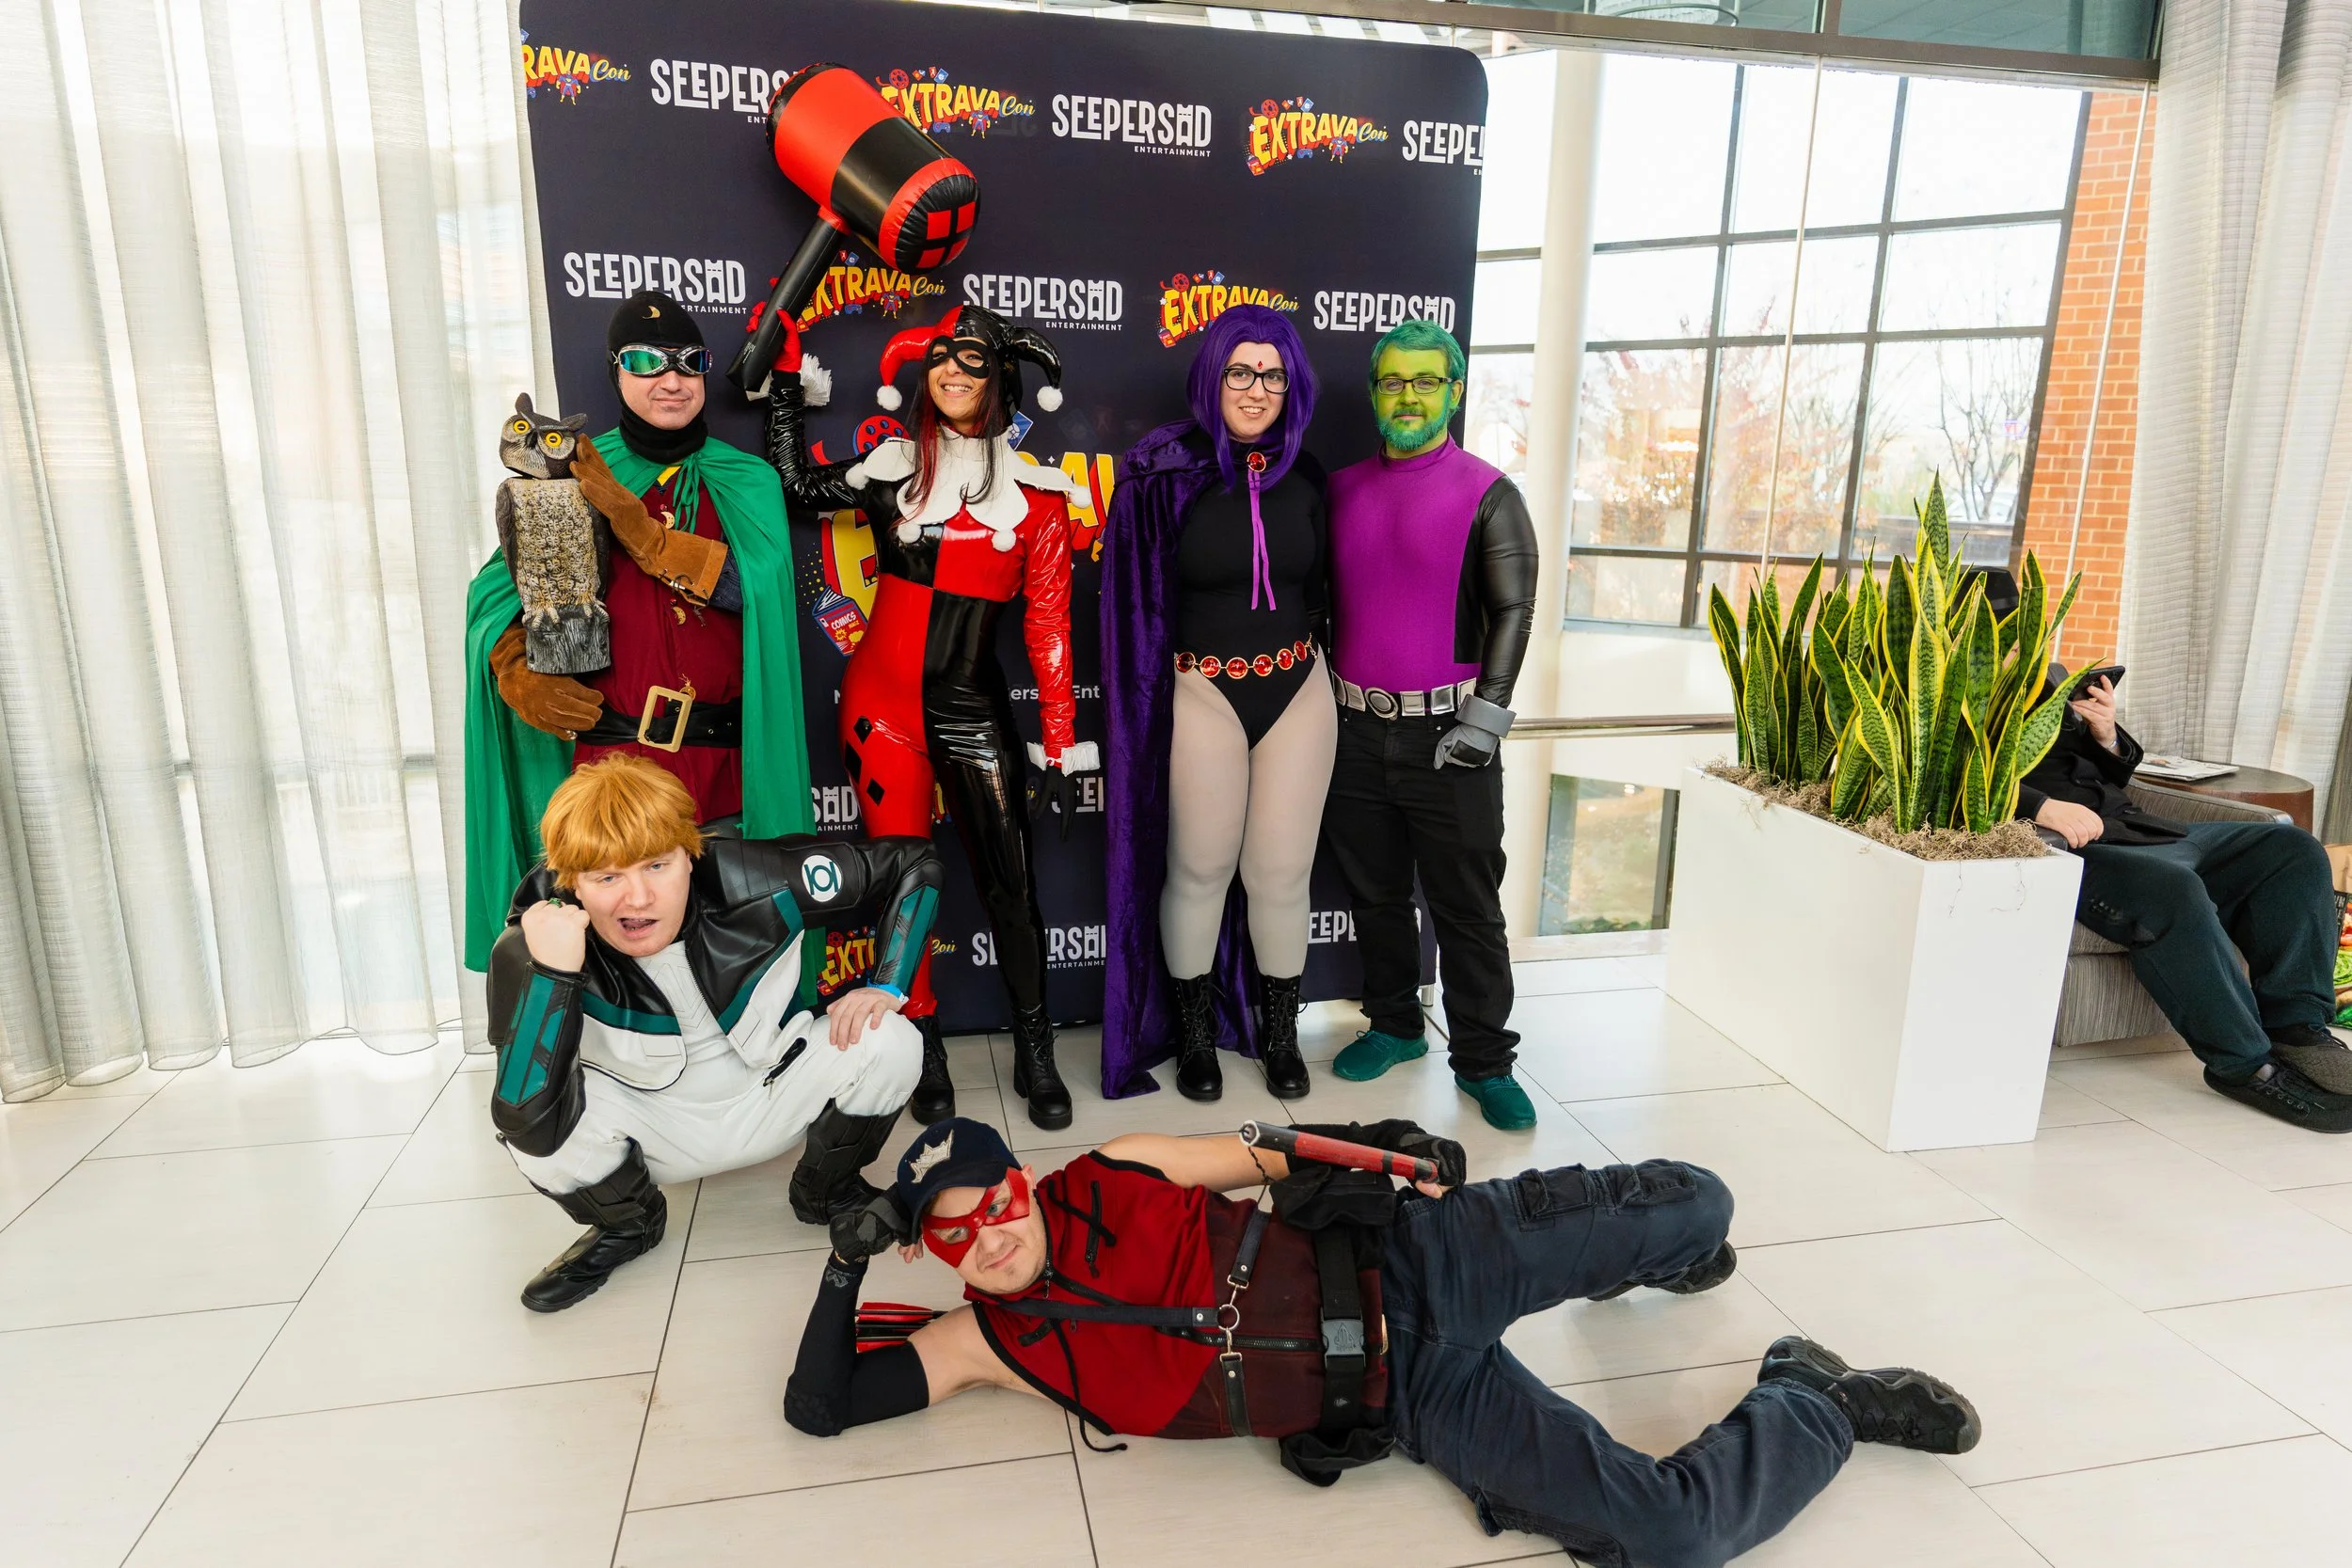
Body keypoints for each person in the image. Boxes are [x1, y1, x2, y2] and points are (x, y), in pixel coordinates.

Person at [786, 1117, 1981, 1568]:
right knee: (1671, 1533)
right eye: (952, 1235)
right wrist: (847, 1261)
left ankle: (1661, 1254)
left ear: (1025, 1185)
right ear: (930, 1254)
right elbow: (820, 1404)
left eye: (995, 1204)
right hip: (1414, 1393)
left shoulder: (1113, 1172)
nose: (987, 1239)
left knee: (1706, 1198)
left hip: (1424, 1253)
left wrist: (1385, 1150)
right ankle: (1814, 1395)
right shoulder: (989, 1341)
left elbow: (1267, 1149)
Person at [763, 305, 1098, 1133]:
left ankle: (1034, 1045)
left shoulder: (1041, 496)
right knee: (902, 888)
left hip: (971, 710)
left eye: (974, 360)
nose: (953, 369)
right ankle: (922, 1048)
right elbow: (799, 488)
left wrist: (1060, 746)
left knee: (1010, 886)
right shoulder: (891, 468)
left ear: (1000, 378)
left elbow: (1049, 629)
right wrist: (784, 387)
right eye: (941, 357)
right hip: (880, 709)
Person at [485, 754, 939, 1311]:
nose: (638, 899)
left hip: (769, 1087)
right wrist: (553, 973)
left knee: (892, 1040)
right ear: (570, 882)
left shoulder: (756, 876)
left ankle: (828, 1191)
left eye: (657, 865)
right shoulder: (530, 942)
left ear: (690, 852)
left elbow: (913, 861)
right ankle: (628, 1228)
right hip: (649, 1132)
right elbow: (524, 1119)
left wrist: (889, 983)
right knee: (536, 1136)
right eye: (607, 877)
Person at [462, 289, 812, 974]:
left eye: (689, 361)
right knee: (620, 965)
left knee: (733, 954)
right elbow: (500, 598)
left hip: (724, 772)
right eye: (648, 361)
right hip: (612, 771)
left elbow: (759, 597)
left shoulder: (747, 480)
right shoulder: (574, 474)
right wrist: (512, 664)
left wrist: (643, 533)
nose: (672, 378)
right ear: (616, 369)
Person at [1100, 304, 1330, 1103]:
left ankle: (1280, 1034)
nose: (1257, 388)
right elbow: (1130, 604)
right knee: (1198, 867)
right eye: (1241, 371)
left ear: (1290, 382)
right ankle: (1194, 1034)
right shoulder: (1165, 474)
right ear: (1213, 378)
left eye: (1272, 373)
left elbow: (1328, 592)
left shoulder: (1309, 479)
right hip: (1201, 688)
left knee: (1280, 873)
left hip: (1298, 686)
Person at [1321, 321, 1541, 1130]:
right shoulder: (1338, 489)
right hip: (1350, 729)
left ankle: (1485, 1059)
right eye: (1392, 381)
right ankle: (1394, 1022)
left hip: (1452, 738)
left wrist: (1486, 718)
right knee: (1376, 895)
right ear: (1375, 390)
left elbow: (1515, 607)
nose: (1406, 396)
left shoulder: (1490, 491)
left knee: (1467, 908)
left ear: (1454, 391)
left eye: (1425, 381)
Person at [2025, 670, 2352, 1130]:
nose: (2017, 647)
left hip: (2140, 830)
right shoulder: (1942, 689)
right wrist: (2039, 806)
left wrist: (2106, 737)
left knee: (2294, 851)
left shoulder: (2050, 681)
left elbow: (2106, 771)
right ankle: (2243, 1064)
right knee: (2170, 891)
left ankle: (2297, 1026)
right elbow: (1945, 780)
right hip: (2066, 847)